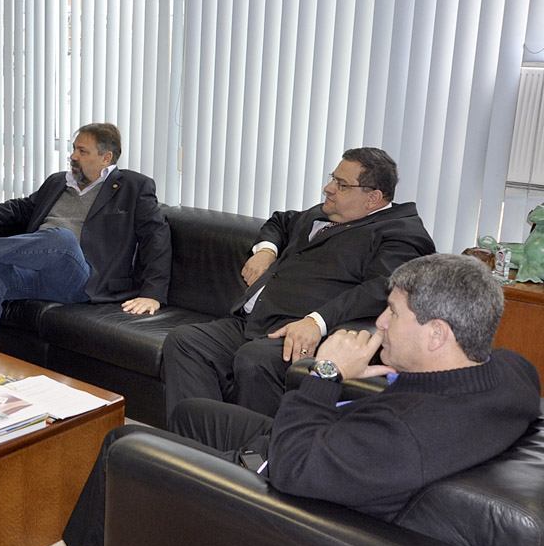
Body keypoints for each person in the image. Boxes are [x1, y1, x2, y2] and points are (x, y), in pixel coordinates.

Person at [40, 252, 542, 546]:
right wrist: (391, 372)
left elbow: (296, 469)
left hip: (286, 480)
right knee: (194, 412)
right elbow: (452, 390)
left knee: (124, 444)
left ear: (437, 334)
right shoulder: (510, 372)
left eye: (394, 312)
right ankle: (172, 525)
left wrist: (326, 373)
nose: (381, 322)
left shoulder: (406, 436)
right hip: (333, 448)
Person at [162, 147, 435, 417]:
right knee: (186, 341)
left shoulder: (400, 233)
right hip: (254, 320)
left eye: (341, 184)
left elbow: (381, 288)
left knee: (254, 360)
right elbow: (280, 222)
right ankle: (201, 446)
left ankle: (255, 456)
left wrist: (316, 321)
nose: (328, 188)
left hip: (300, 331)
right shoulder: (323, 213)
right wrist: (266, 251)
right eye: (333, 178)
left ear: (373, 198)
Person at [0, 123, 171, 348]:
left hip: (82, 279)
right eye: (74, 149)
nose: (73, 156)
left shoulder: (134, 187)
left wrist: (152, 294)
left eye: (82, 151)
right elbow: (21, 208)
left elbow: (156, 238)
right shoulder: (58, 181)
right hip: (36, 274)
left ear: (105, 158)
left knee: (62, 238)